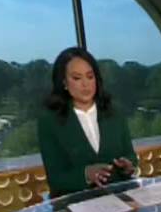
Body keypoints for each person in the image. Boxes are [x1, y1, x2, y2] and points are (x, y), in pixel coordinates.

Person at [38, 47, 139, 197]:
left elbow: (130, 155)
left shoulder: (114, 112)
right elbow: (56, 179)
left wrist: (128, 165)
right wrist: (86, 174)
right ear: (64, 82)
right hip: (75, 204)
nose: (86, 84)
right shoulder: (49, 121)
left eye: (90, 77)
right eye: (77, 78)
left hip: (119, 200)